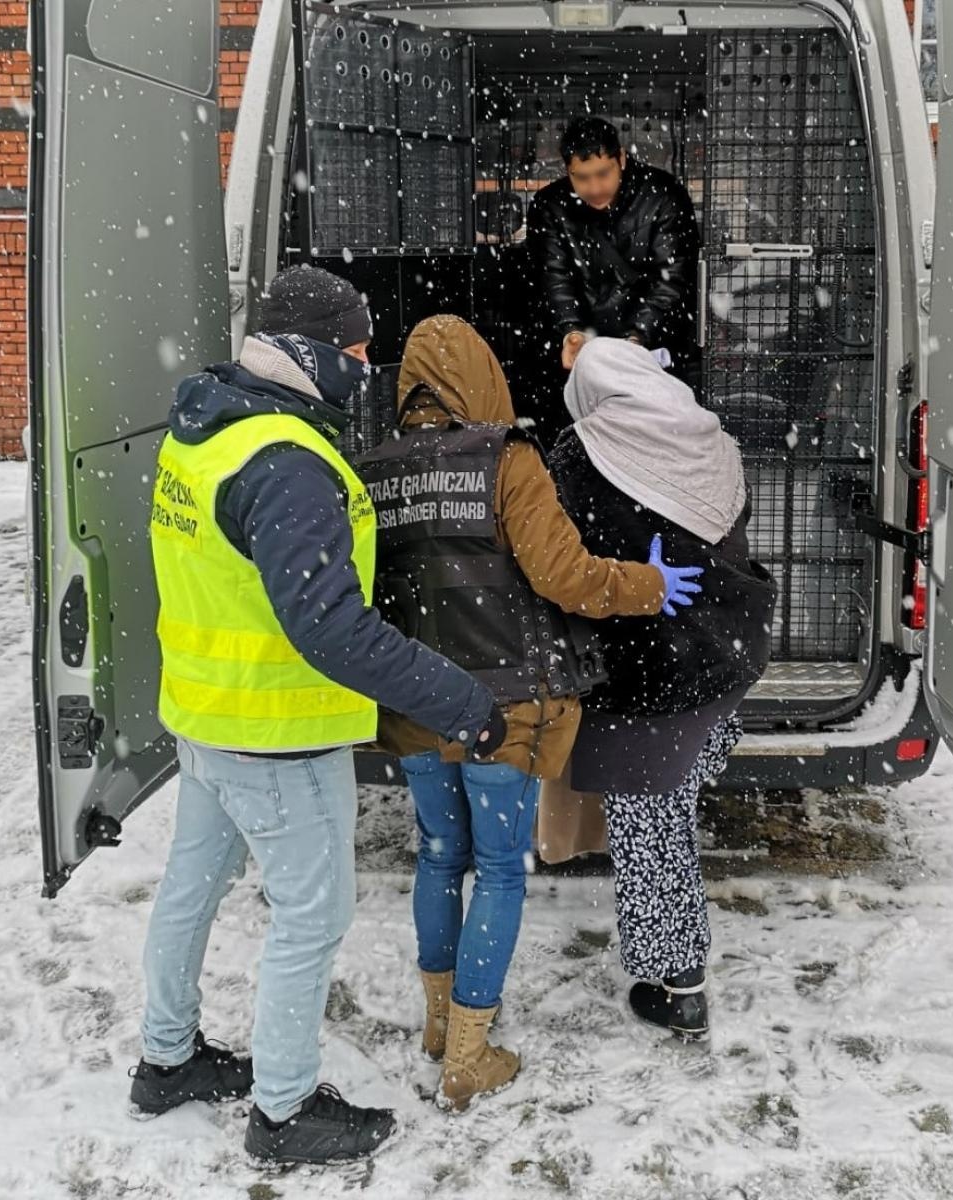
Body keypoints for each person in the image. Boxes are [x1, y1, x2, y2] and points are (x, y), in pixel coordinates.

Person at [132, 266, 507, 1166]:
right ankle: (284, 1110)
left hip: (207, 715)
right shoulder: (285, 463)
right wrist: (460, 702)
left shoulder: (206, 428)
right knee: (312, 916)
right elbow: (330, 628)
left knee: (189, 892)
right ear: (307, 352)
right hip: (274, 732)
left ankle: (166, 1057)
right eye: (354, 349)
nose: (366, 363)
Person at [355, 315, 704, 1110]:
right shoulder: (506, 460)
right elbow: (566, 578)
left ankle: (441, 1025)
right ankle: (469, 1056)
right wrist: (646, 586)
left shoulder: (372, 469)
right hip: (503, 706)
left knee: (439, 855)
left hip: (415, 701)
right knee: (500, 870)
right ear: (478, 376)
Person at [547, 337, 775, 1041]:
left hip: (647, 666)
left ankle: (677, 985)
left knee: (649, 828)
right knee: (675, 784)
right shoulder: (708, 436)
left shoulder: (580, 454)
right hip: (727, 647)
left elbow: (564, 556)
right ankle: (675, 962)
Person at [525, 115, 701, 440]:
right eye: (581, 177)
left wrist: (638, 338)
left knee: (655, 445)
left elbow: (672, 279)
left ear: (621, 158)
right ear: (567, 170)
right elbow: (554, 277)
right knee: (580, 448)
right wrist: (570, 330)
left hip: (655, 353)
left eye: (602, 174)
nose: (594, 188)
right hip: (582, 357)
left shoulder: (663, 195)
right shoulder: (550, 206)